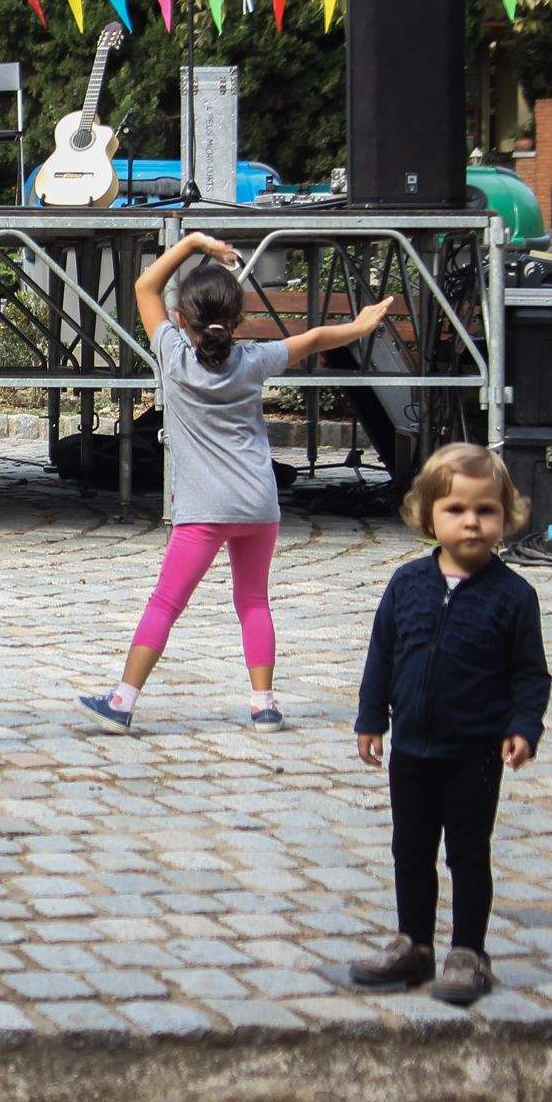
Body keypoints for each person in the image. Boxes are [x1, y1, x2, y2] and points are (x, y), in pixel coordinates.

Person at [80, 232, 390, 733]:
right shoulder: (254, 362)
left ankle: (122, 698)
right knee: (253, 602)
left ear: (182, 320)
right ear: (239, 321)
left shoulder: (175, 358)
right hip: (258, 504)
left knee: (166, 602)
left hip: (203, 510)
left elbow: (144, 286)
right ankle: (263, 703)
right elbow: (312, 340)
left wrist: (194, 243)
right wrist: (358, 325)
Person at [349, 444, 551, 1008]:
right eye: (456, 509)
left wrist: (523, 726)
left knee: (467, 852)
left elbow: (531, 674)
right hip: (411, 748)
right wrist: (371, 717)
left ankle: (469, 951)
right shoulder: (407, 583)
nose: (471, 521)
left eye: (485, 510)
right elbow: (382, 655)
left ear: (505, 517)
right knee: (410, 850)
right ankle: (413, 943)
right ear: (428, 515)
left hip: (473, 754)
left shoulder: (514, 596)